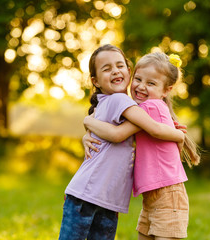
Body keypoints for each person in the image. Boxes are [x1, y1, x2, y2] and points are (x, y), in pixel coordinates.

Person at [58, 45, 185, 240]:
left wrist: (87, 122)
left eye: (120, 65)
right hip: (94, 195)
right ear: (95, 81)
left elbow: (137, 131)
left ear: (128, 70)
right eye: (107, 68)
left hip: (101, 197)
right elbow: (139, 131)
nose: (116, 71)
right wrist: (179, 135)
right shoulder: (120, 100)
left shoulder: (117, 103)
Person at [83, 52, 201, 239]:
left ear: (166, 90)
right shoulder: (147, 109)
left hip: (167, 195)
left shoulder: (148, 108)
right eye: (138, 79)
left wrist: (88, 122)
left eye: (151, 83)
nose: (141, 86)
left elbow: (116, 134)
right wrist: (87, 135)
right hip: (154, 197)